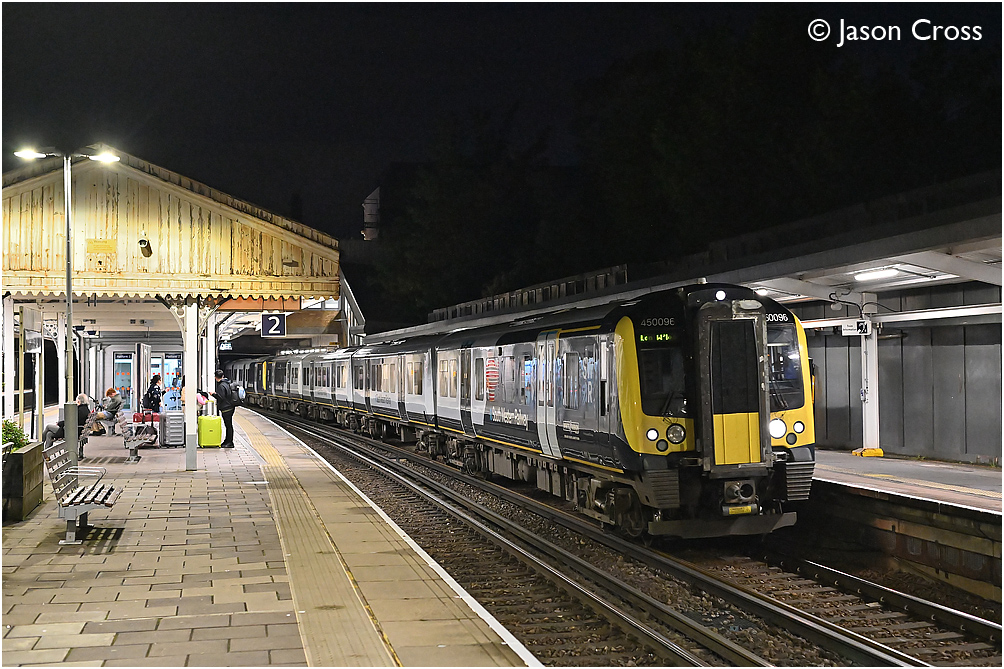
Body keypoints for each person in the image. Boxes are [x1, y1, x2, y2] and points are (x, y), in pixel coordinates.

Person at [212, 369, 236, 448]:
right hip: (230, 407)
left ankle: (229, 442)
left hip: (226, 408)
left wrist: (213, 394)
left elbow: (221, 397)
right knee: (229, 425)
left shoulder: (221, 386)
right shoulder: (227, 383)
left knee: (228, 426)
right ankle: (227, 441)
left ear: (215, 377)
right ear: (222, 376)